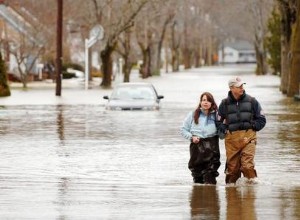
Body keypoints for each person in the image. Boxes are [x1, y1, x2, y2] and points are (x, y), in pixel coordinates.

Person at [218, 76, 266, 184]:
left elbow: (262, 119)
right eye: (239, 86)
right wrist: (224, 129)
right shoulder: (224, 103)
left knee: (247, 166)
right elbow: (218, 122)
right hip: (231, 140)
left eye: (242, 85)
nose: (242, 88)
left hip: (249, 138)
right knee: (232, 171)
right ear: (231, 88)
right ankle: (232, 196)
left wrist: (252, 126)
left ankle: (252, 192)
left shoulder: (252, 101)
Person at [180, 92, 221, 184]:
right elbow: (183, 130)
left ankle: (211, 194)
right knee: (197, 174)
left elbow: (222, 134)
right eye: (204, 100)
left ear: (212, 103)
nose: (206, 102)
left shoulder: (217, 115)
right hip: (196, 146)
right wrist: (192, 137)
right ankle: (197, 194)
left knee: (210, 174)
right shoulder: (193, 114)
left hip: (212, 146)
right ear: (200, 102)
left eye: (208, 100)